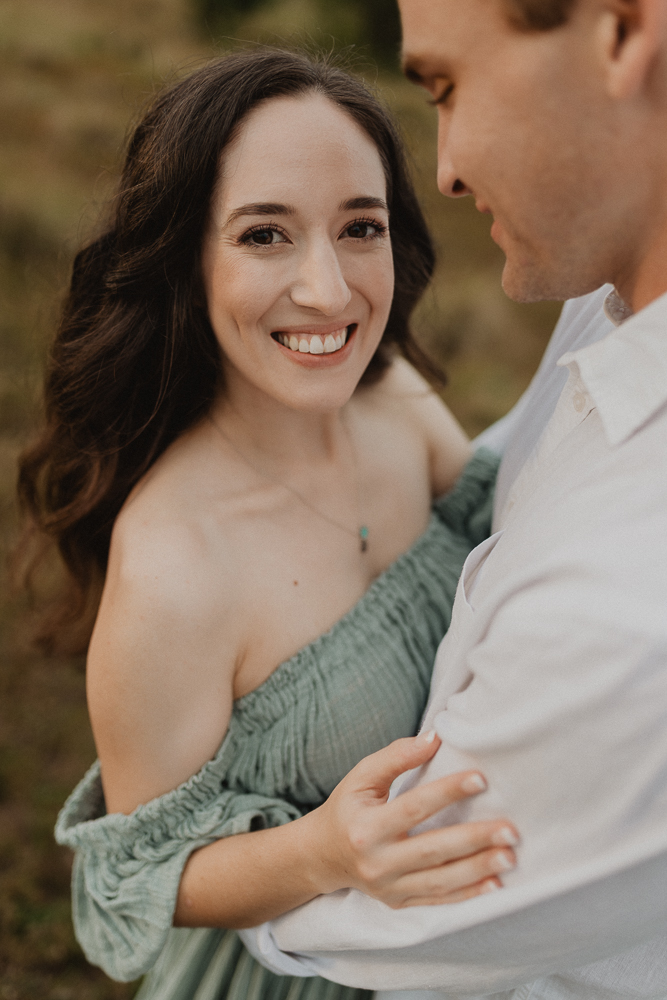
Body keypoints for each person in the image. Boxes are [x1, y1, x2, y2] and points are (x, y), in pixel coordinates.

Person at [27, 50, 522, 999]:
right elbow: (135, 877)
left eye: (360, 227)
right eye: (264, 235)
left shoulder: (397, 399)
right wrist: (324, 851)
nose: (329, 291)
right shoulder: (174, 566)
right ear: (185, 258)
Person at [236, 1, 667, 998]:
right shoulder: (611, 302)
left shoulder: (621, 616)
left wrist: (195, 858)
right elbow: (501, 488)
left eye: (446, 86)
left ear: (621, 31)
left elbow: (383, 929)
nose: (444, 172)